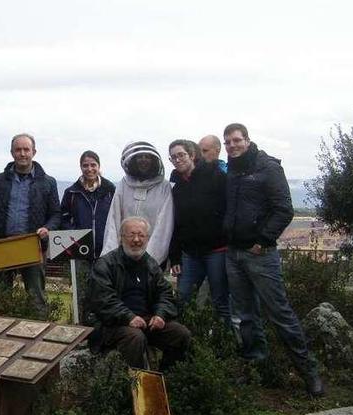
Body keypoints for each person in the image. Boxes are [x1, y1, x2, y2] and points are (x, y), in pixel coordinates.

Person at [223, 122, 324, 396]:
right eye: (228, 142)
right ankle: (256, 368)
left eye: (236, 140)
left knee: (280, 314)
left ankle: (309, 373)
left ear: (247, 139)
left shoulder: (268, 167)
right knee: (245, 316)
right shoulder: (231, 170)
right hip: (233, 253)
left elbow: (284, 210)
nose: (232, 146)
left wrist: (263, 240)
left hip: (260, 254)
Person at [0, 133, 61, 317]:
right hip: (2, 245)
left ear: (34, 152)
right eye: (18, 150)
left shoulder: (48, 182)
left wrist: (48, 228)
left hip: (32, 245)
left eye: (26, 149)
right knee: (0, 297)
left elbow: (55, 214)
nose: (22, 154)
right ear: (12, 152)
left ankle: (39, 339)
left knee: (36, 298)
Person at [88, 217, 191, 370]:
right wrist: (129, 317)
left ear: (147, 238)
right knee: (135, 337)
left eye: (141, 235)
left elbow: (165, 294)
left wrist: (161, 314)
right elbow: (103, 300)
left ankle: (166, 379)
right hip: (111, 324)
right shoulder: (105, 264)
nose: (137, 240)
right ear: (121, 238)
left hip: (145, 321)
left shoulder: (151, 264)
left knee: (181, 334)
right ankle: (136, 386)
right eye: (131, 235)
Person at [167, 139, 231, 326]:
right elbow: (176, 224)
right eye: (173, 157)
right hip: (190, 254)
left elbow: (230, 208)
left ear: (192, 155)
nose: (177, 160)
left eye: (181, 155)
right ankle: (188, 344)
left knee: (220, 300)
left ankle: (224, 345)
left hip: (217, 250)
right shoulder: (177, 187)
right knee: (183, 298)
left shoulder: (216, 176)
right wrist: (175, 256)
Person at [59, 150, 116, 322]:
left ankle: (104, 328)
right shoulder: (71, 192)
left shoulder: (110, 190)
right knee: (82, 291)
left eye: (93, 165)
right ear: (80, 167)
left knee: (105, 291)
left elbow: (116, 217)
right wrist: (76, 234)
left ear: (99, 167)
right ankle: (82, 328)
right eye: (85, 165)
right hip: (80, 250)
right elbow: (63, 217)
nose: (89, 169)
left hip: (105, 250)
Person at [101, 141, 174, 265]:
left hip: (151, 254)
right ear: (134, 160)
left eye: (147, 157)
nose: (143, 160)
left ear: (154, 160)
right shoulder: (124, 184)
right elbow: (114, 218)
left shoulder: (164, 187)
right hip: (124, 253)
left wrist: (151, 258)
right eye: (140, 157)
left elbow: (165, 225)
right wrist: (109, 255)